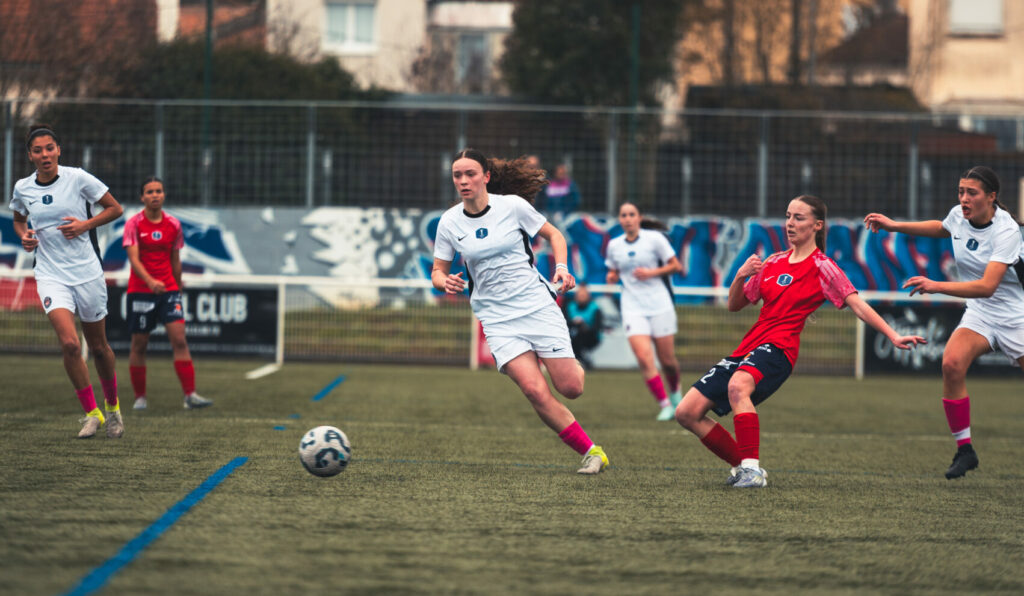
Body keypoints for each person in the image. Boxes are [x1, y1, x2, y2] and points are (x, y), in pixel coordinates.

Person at [675, 195, 925, 487]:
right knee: (686, 412)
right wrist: (740, 276)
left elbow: (857, 303)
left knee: (737, 386)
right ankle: (744, 467)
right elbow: (734, 304)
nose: (790, 223)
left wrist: (893, 334)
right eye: (788, 216)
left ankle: (752, 471)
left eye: (799, 218)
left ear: (817, 225)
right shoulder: (773, 262)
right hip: (749, 347)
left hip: (779, 349)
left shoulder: (823, 266)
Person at [432, 148, 609, 475]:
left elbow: (554, 235)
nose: (463, 181)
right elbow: (438, 270)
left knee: (572, 388)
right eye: (457, 175)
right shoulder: (449, 222)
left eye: (470, 174)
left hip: (536, 305)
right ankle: (592, 451)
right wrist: (444, 282)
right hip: (497, 319)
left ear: (485, 176)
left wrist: (561, 267)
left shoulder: (512, 206)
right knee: (533, 390)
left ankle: (566, 359)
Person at [864, 165, 1024, 480]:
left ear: (991, 197)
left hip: (1016, 315)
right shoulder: (959, 215)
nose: (964, 198)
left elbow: (988, 286)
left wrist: (936, 285)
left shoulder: (1006, 231)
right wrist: (894, 226)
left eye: (972, 193)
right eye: (961, 192)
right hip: (981, 312)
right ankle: (965, 451)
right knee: (951, 364)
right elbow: (942, 227)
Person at [9, 124, 126, 438]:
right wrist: (26, 237)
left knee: (99, 348)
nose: (45, 155)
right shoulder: (23, 188)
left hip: (87, 272)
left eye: (50, 148)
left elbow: (115, 208)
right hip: (50, 274)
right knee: (71, 344)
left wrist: (85, 224)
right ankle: (92, 413)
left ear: (58, 150)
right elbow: (20, 221)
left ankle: (113, 408)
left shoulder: (78, 178)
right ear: (30, 155)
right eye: (38, 150)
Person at [122, 177, 213, 411]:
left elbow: (175, 259)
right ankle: (140, 397)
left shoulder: (173, 224)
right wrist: (150, 281)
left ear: (164, 195)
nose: (155, 195)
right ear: (142, 197)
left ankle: (190, 396)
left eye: (159, 191)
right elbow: (133, 260)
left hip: (169, 290)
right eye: (150, 192)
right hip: (141, 291)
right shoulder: (134, 224)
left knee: (180, 339)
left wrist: (178, 288)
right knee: (139, 345)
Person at [604, 202, 685, 421]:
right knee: (643, 357)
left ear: (639, 218)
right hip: (632, 307)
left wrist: (651, 273)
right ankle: (665, 404)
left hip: (660, 305)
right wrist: (611, 277)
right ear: (620, 220)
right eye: (623, 215)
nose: (628, 218)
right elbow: (612, 270)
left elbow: (675, 265)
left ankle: (677, 395)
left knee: (667, 360)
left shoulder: (654, 240)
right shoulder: (614, 245)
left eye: (632, 214)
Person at [562, 284, 603, 370]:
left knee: (579, 335)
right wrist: (574, 323)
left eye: (583, 295)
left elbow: (597, 327)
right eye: (580, 295)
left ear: (588, 296)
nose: (581, 297)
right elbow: (563, 322)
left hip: (590, 337)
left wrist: (584, 326)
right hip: (572, 335)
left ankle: (582, 359)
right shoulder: (570, 306)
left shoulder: (595, 308)